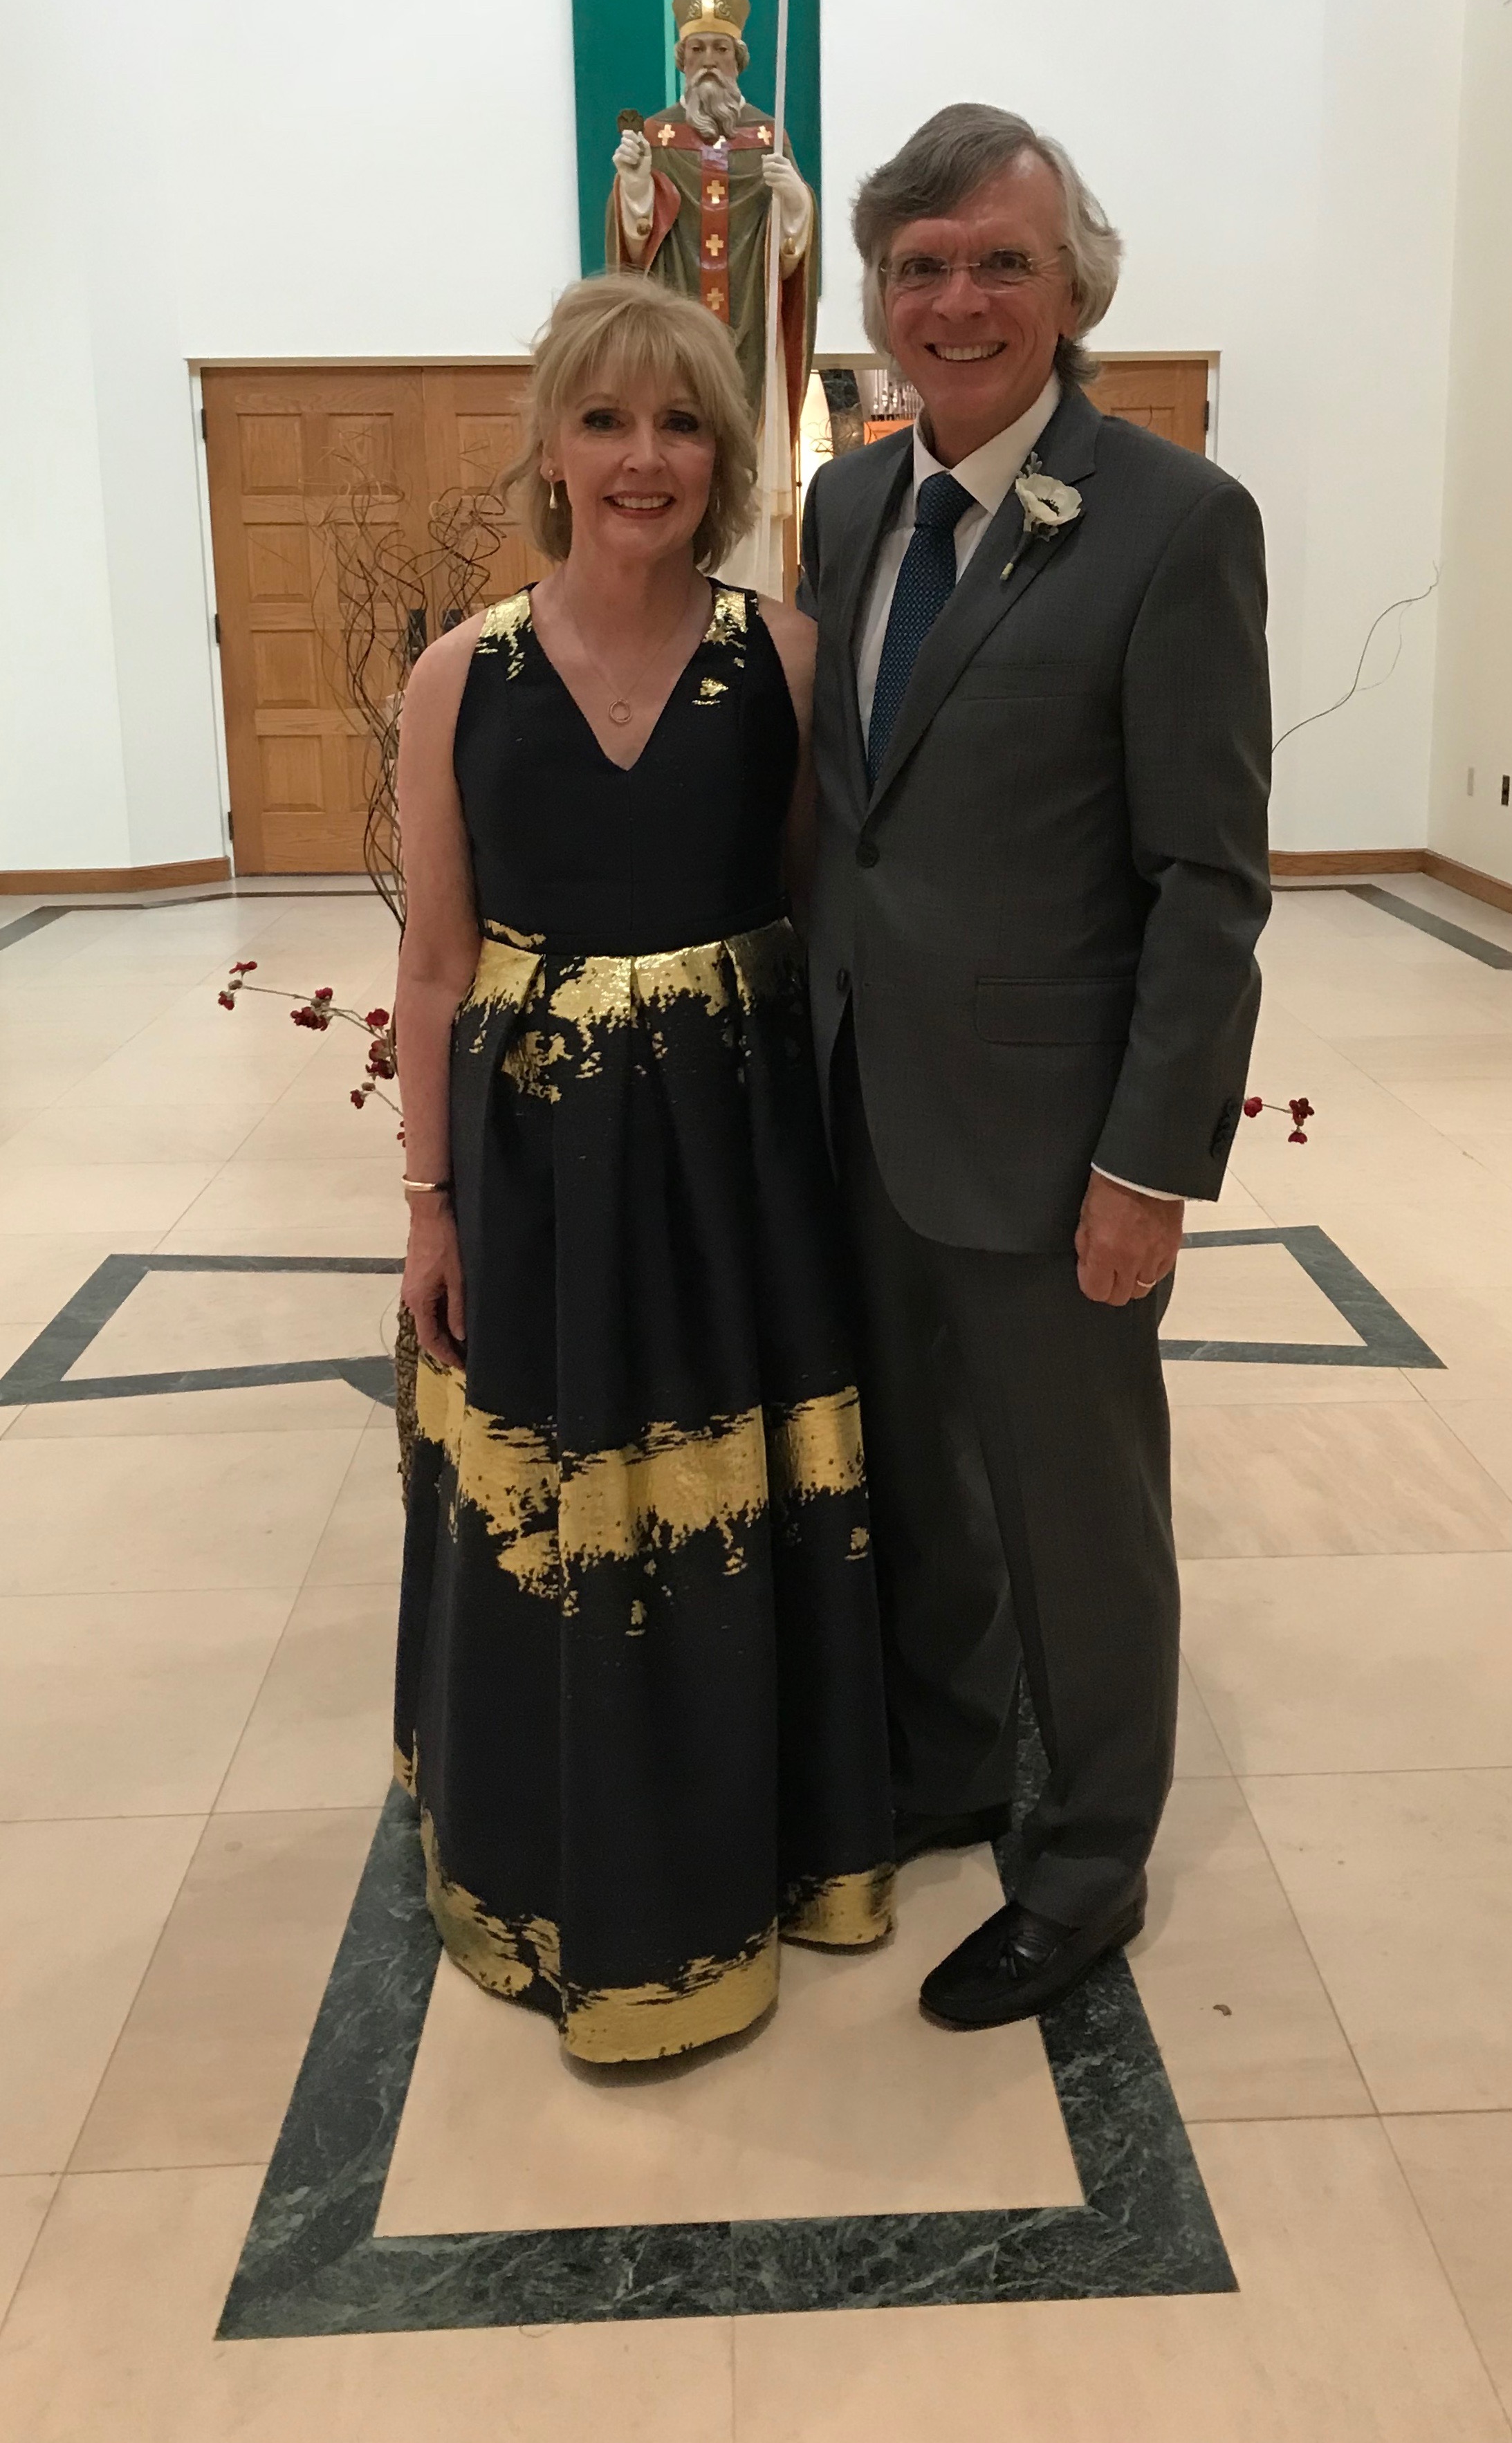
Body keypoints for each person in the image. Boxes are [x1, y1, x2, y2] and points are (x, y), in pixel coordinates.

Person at [798, 104, 1271, 2029]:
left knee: (1076, 1515)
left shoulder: (1172, 523)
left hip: (1055, 1136)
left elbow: (1205, 883)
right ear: (878, 300)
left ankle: (1084, 1863)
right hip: (862, 1108)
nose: (958, 300)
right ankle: (941, 1763)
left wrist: (1146, 1163)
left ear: (1074, 286)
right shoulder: (847, 511)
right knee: (920, 1476)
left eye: (1000, 260)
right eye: (919, 267)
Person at [391, 274, 893, 2065]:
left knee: (727, 1491)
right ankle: (546, 1850)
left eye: (681, 420)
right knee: (549, 1493)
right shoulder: (459, 676)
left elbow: (820, 915)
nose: (642, 455)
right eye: (604, 418)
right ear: (549, 444)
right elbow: (434, 962)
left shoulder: (790, 662)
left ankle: (758, 1843)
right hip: (533, 1161)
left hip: (734, 1159)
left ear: (725, 454)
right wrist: (428, 1204)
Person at [607, 0, 817, 596]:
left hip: (751, 335)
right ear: (680, 57)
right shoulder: (655, 138)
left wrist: (795, 203)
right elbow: (634, 248)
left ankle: (746, 607)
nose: (707, 61)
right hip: (674, 346)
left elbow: (790, 262)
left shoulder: (768, 138)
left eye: (719, 50)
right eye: (696, 48)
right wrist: (635, 185)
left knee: (742, 486)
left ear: (738, 60)